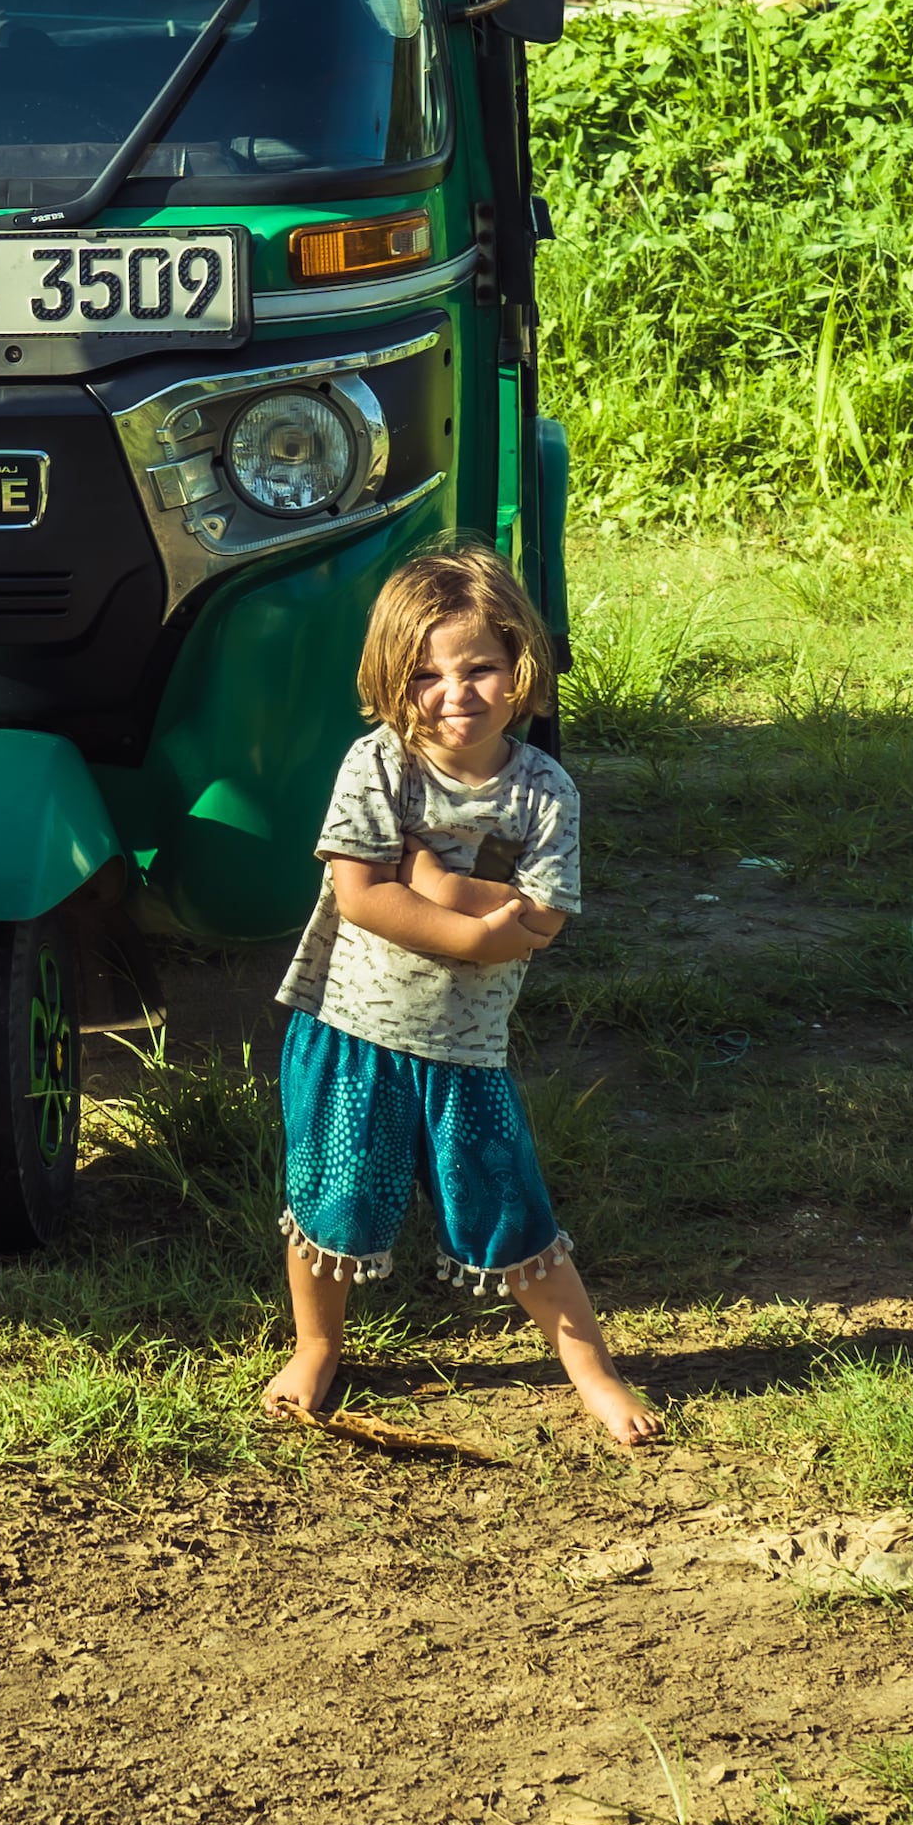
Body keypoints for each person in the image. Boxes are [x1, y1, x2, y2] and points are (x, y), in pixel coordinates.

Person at [258, 544, 660, 1452]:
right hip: (351, 1033)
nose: (456, 691)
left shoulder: (544, 788)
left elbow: (547, 917)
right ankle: (318, 1346)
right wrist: (486, 923)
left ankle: (591, 1366)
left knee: (507, 1202)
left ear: (519, 667)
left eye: (479, 665)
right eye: (427, 673)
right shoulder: (378, 765)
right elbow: (361, 892)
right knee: (335, 1199)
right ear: (392, 682)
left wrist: (436, 882)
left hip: (467, 1046)